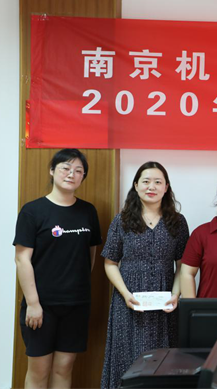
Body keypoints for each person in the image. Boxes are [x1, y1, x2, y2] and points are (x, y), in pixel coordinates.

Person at [14, 148, 102, 389]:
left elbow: (90, 255)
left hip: (76, 304)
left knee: (64, 367)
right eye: (65, 168)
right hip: (42, 305)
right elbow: (22, 260)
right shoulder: (33, 211)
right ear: (52, 171)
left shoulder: (88, 211)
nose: (71, 174)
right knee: (39, 371)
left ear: (83, 176)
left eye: (78, 170)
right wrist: (33, 303)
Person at [100, 162, 189, 389]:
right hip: (129, 302)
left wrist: (176, 295)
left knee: (163, 361)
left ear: (166, 187)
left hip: (165, 305)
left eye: (158, 182)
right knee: (127, 360)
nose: (152, 187)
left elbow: (182, 266)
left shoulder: (178, 222)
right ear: (136, 185)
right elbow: (110, 263)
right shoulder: (121, 220)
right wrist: (125, 293)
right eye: (146, 181)